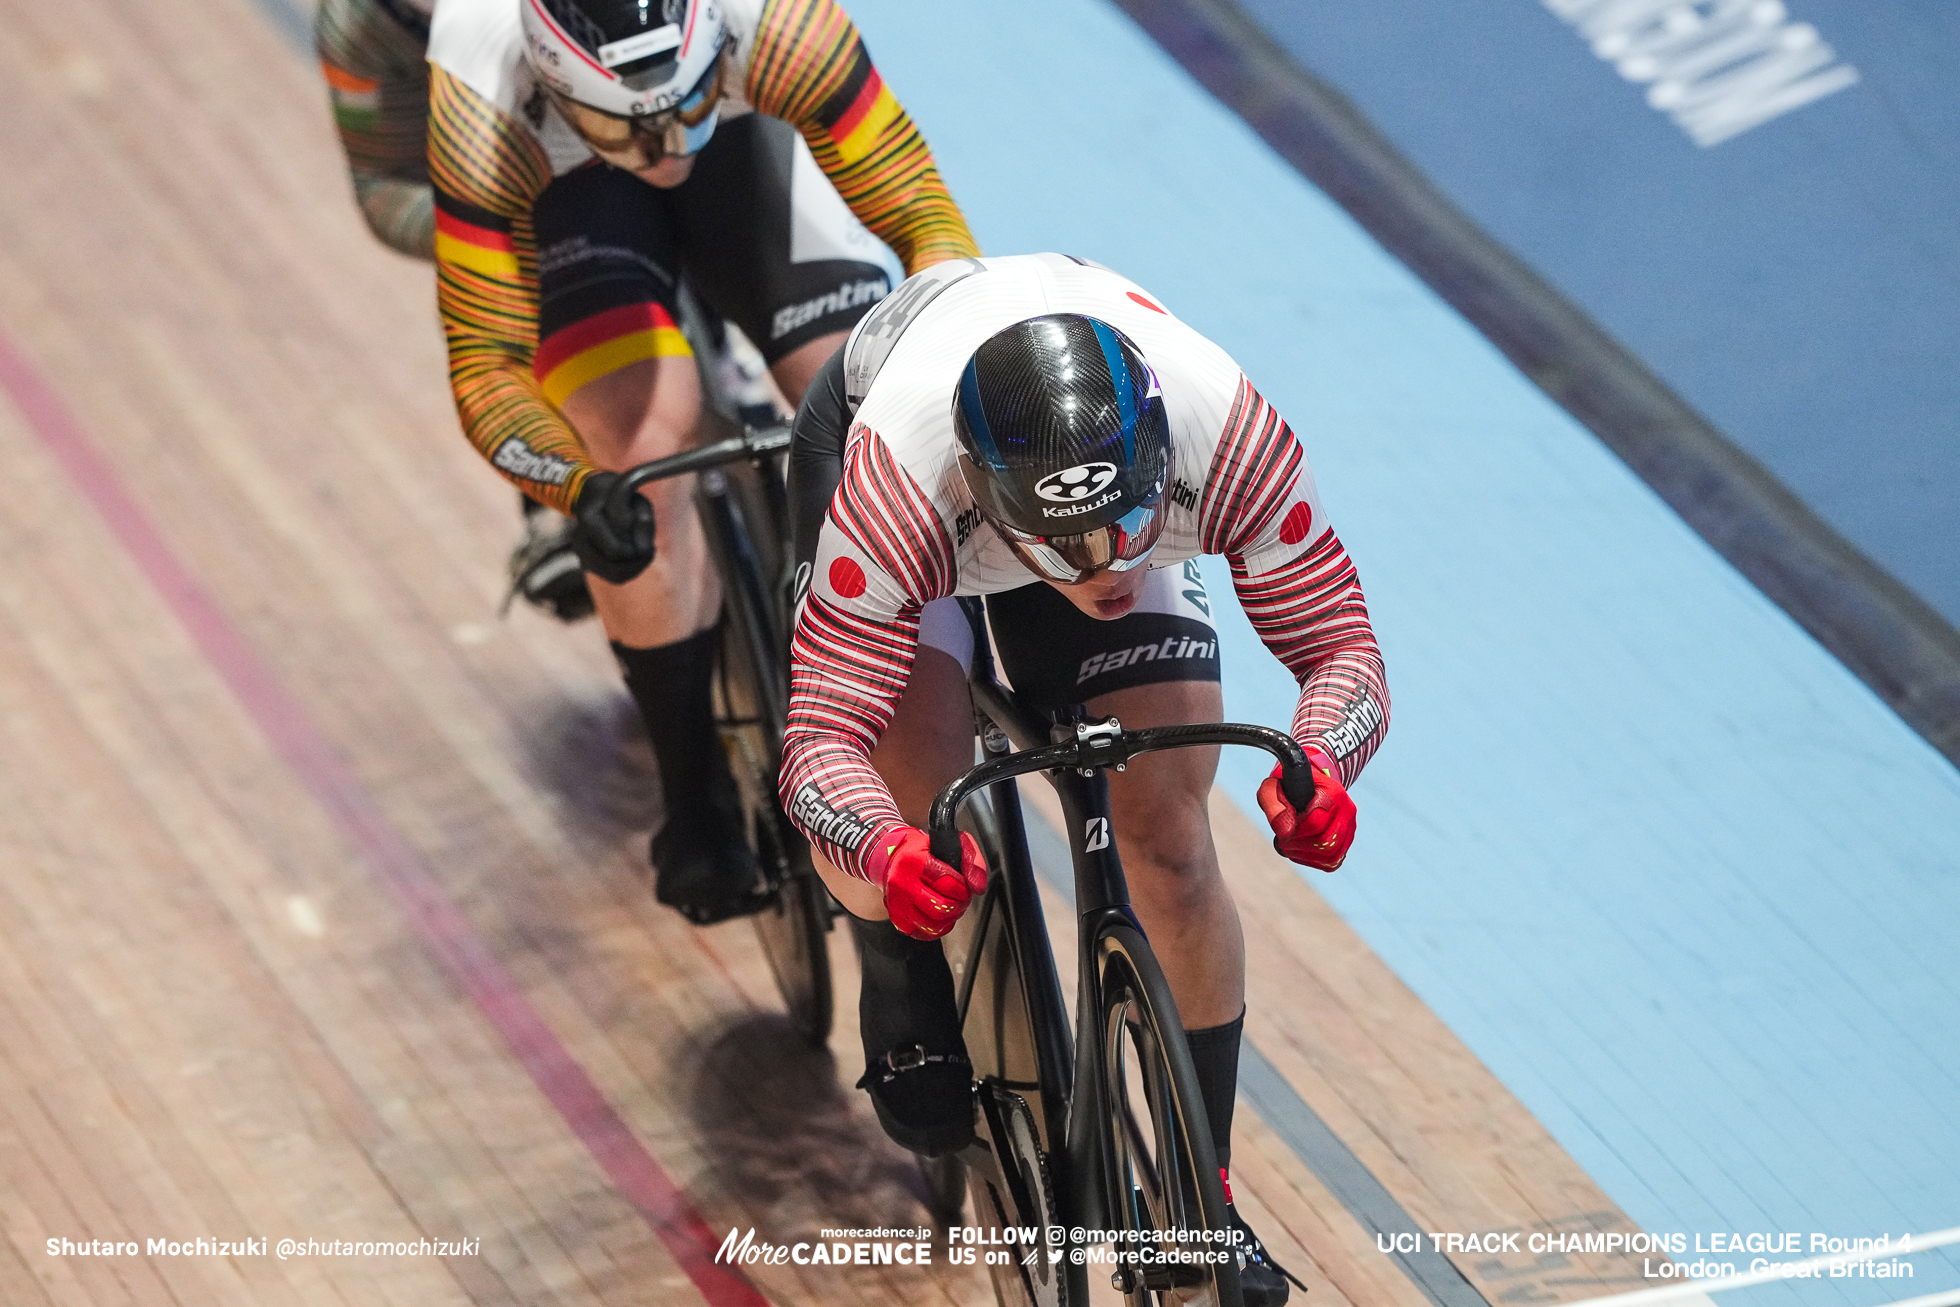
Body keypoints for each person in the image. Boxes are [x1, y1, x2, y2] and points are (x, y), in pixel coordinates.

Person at [781, 253, 1389, 1305]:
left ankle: (1204, 1200)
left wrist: (1324, 761)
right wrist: (882, 849)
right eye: (1068, 549)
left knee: (1169, 836)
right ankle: (896, 973)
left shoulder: (1225, 431)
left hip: (1033, 491)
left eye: (1126, 531)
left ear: (1157, 462)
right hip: (899, 473)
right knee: (915, 792)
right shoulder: (896, 496)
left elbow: (1339, 646)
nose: (1107, 571)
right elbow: (818, 745)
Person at [410, 0, 977, 923]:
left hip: (747, 140)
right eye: (631, 125)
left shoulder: (782, 27)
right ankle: (694, 790)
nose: (666, 146)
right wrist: (576, 486)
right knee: (635, 445)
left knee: (856, 385)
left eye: (684, 105)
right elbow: (485, 364)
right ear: (553, 77)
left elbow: (931, 232)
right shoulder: (483, 83)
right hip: (571, 187)